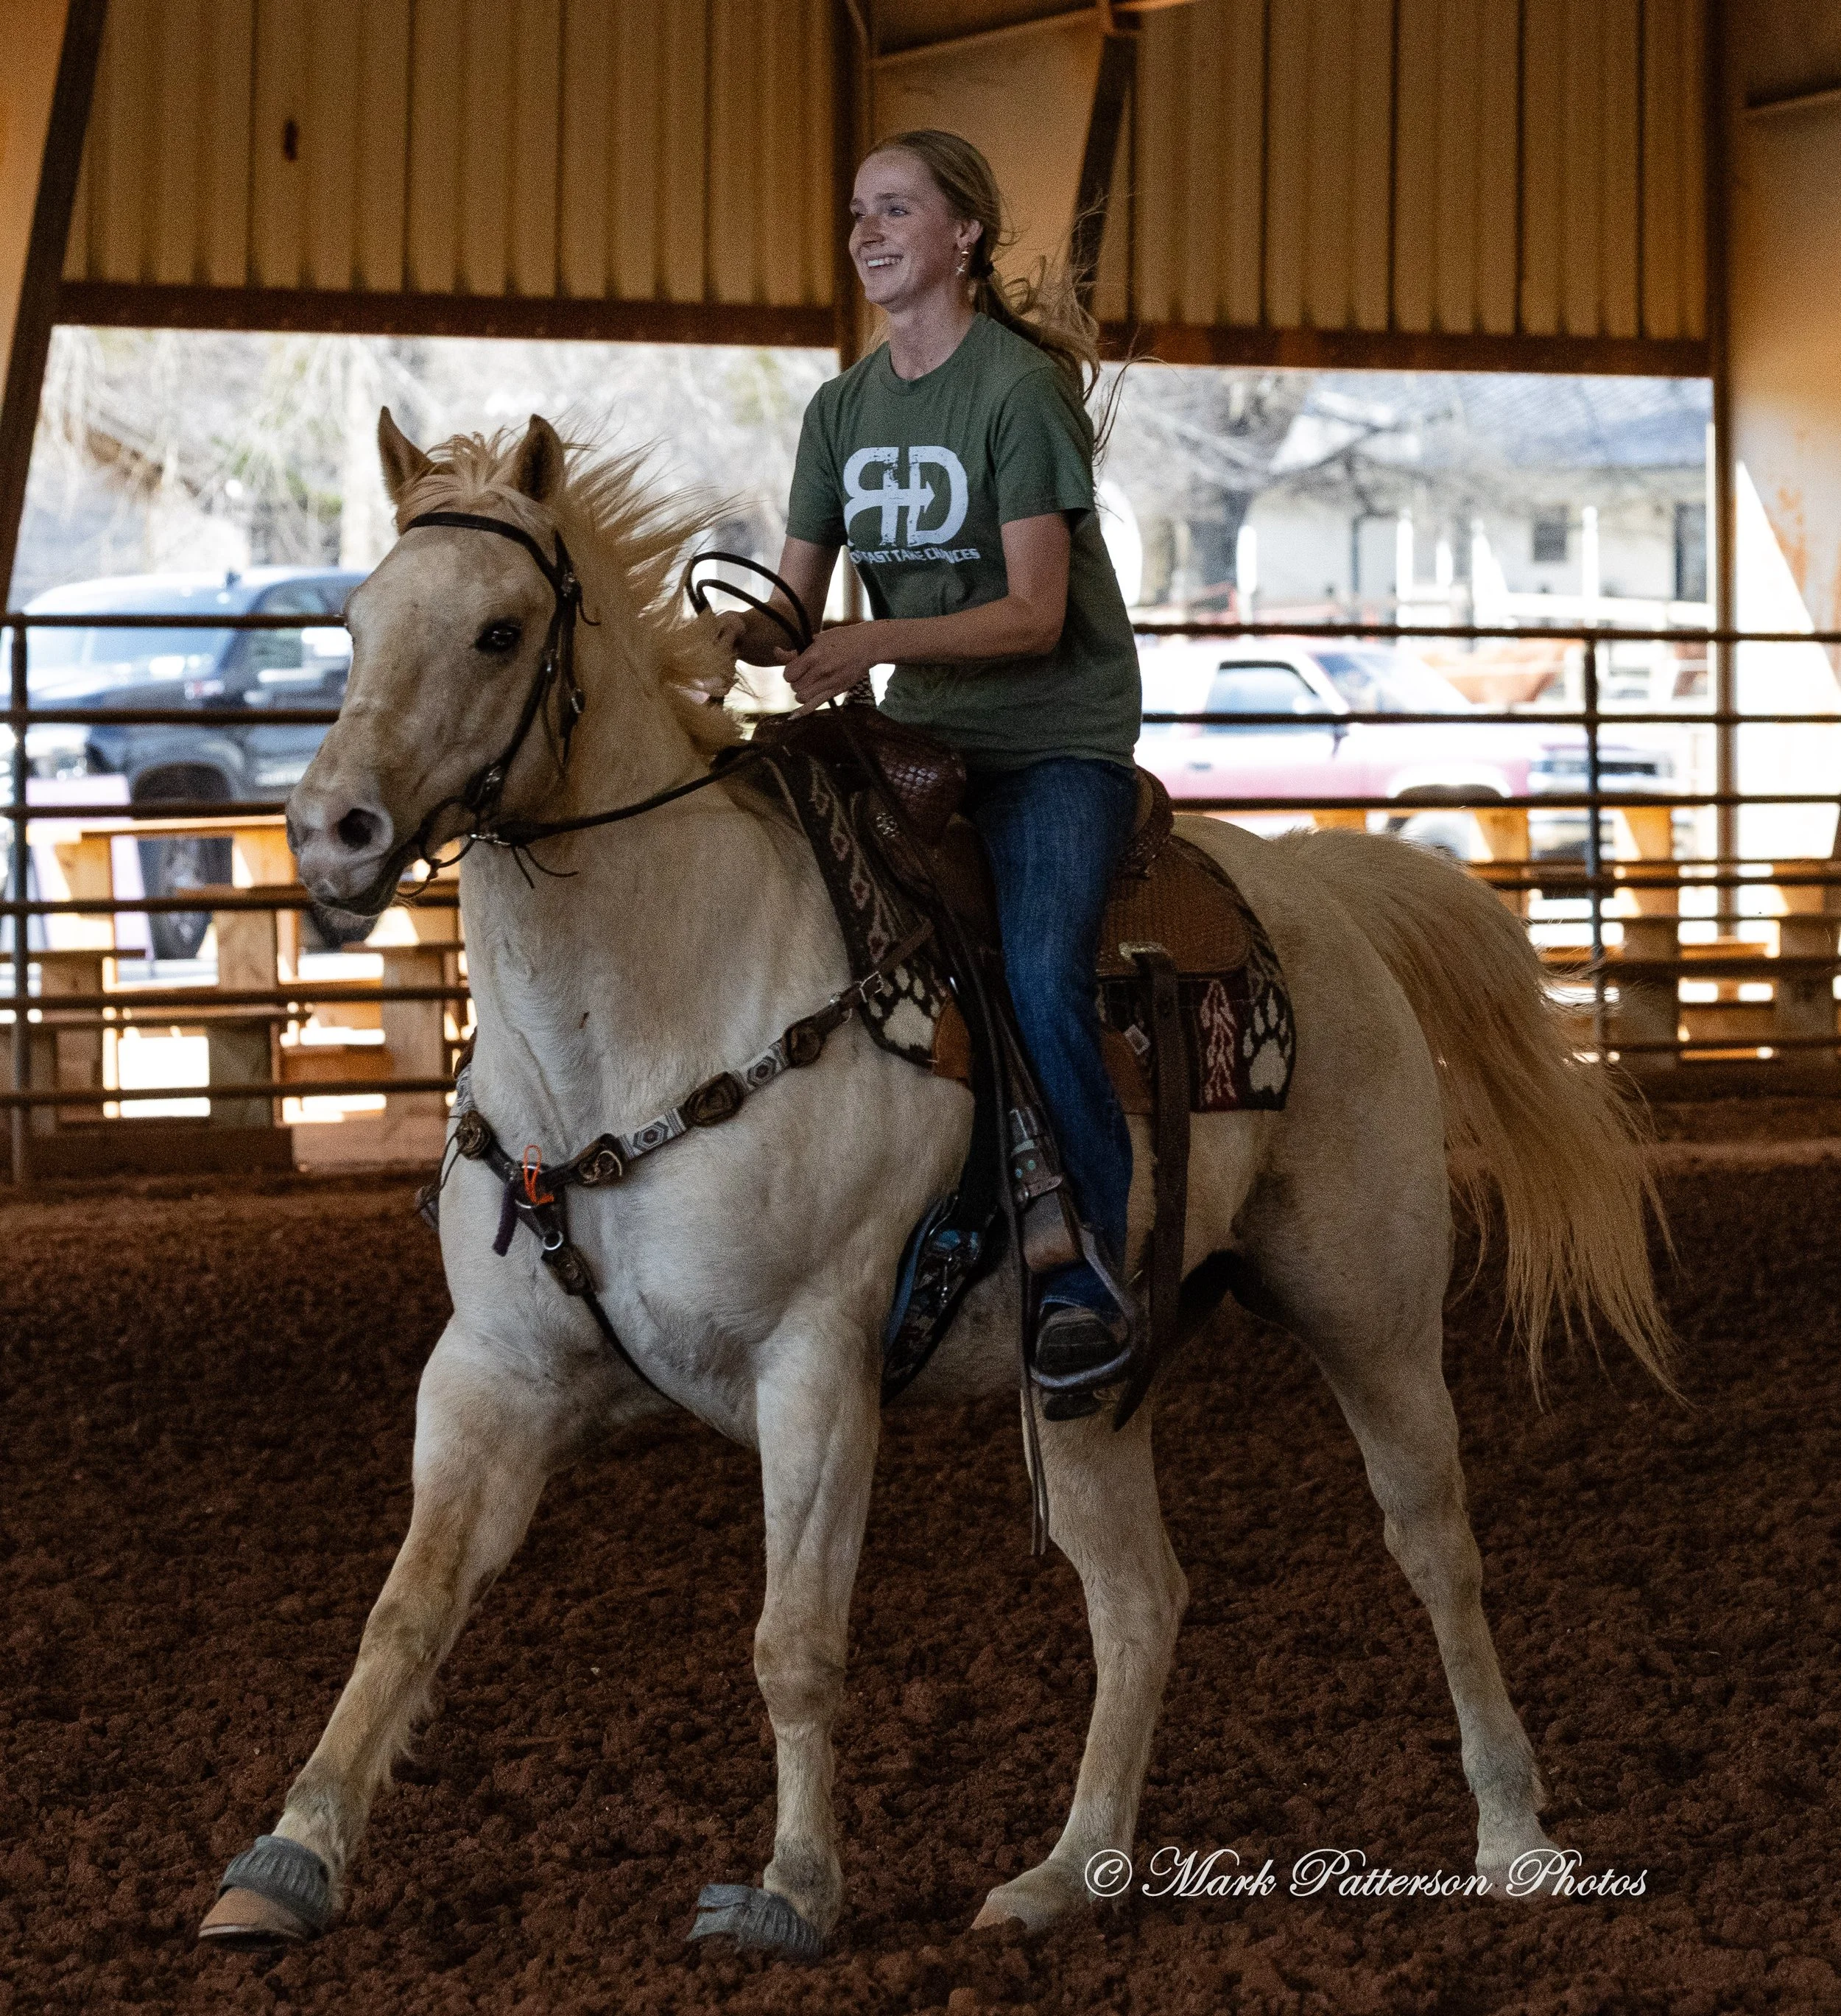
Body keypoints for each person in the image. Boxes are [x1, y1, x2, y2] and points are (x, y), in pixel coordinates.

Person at [715, 128, 1142, 1403]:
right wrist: (710, 640)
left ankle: (1088, 1278)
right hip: (919, 738)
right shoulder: (841, 408)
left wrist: (871, 642)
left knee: (1041, 974)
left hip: (1051, 737)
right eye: (858, 212)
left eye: (896, 210)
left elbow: (1034, 615)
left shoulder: (1016, 394)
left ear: (963, 236)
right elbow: (795, 609)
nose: (867, 231)